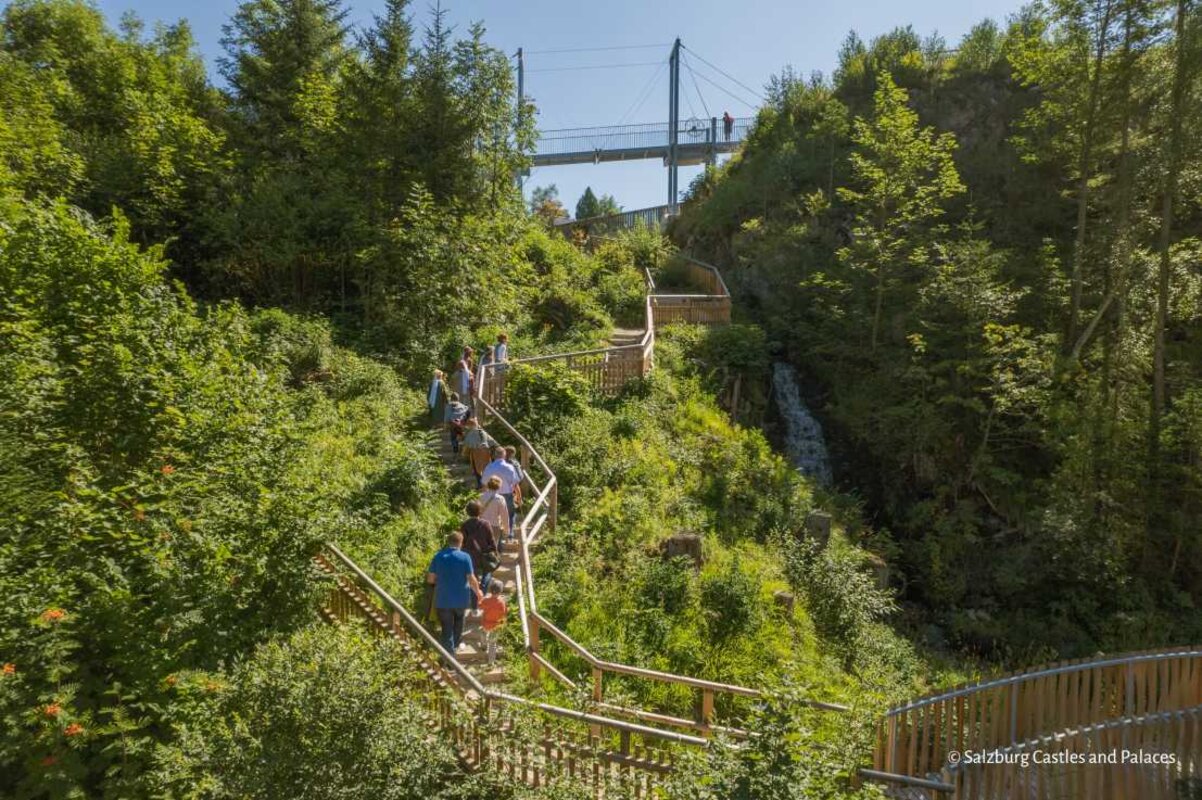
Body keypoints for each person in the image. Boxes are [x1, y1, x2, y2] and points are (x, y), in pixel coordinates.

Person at [426, 531, 483, 654]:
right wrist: (478, 592)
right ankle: (454, 649)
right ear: (461, 543)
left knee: (446, 630)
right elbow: (471, 578)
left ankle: (449, 657)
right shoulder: (465, 557)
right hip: (461, 600)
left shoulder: (438, 556)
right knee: (459, 623)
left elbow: (430, 579)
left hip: (443, 599)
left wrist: (440, 580)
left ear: (448, 542)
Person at [459, 500, 498, 613]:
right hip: (484, 555)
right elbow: (491, 540)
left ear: (468, 512)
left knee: (473, 581)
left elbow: (462, 542)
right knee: (487, 573)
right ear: (480, 511)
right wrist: (495, 552)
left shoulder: (464, 525)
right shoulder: (485, 524)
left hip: (470, 557)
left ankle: (474, 608)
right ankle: (482, 594)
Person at [481, 445, 521, 534]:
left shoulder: (489, 467)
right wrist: (519, 498)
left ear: (495, 455)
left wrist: (484, 496)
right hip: (507, 495)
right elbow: (515, 484)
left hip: (492, 495)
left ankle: (495, 536)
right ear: (504, 455)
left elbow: (484, 484)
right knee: (510, 515)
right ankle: (510, 534)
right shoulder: (510, 467)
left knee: (494, 517)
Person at [479, 580, 507, 667]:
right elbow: (503, 614)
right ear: (501, 591)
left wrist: (481, 598)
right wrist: (502, 624)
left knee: (482, 632)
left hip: (485, 623)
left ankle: (483, 645)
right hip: (495, 626)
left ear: (490, 590)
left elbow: (480, 606)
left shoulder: (486, 600)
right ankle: (491, 662)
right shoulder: (501, 603)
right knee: (492, 644)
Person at [462, 418, 497, 487]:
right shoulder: (483, 432)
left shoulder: (470, 434)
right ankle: (489, 484)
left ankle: (480, 485)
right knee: (487, 469)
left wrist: (464, 453)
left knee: (477, 470)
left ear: (470, 425)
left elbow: (467, 446)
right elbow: (493, 443)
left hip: (476, 454)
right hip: (486, 454)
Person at [479, 475, 510, 543]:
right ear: (499, 486)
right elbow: (504, 516)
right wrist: (506, 531)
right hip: (494, 526)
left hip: (481, 526)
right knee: (493, 546)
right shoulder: (500, 499)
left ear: (488, 484)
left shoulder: (481, 497)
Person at [504, 445, 524, 512]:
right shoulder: (515, 461)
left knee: (513, 489)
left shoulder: (507, 462)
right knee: (515, 488)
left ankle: (517, 501)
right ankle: (518, 501)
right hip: (518, 478)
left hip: (511, 481)